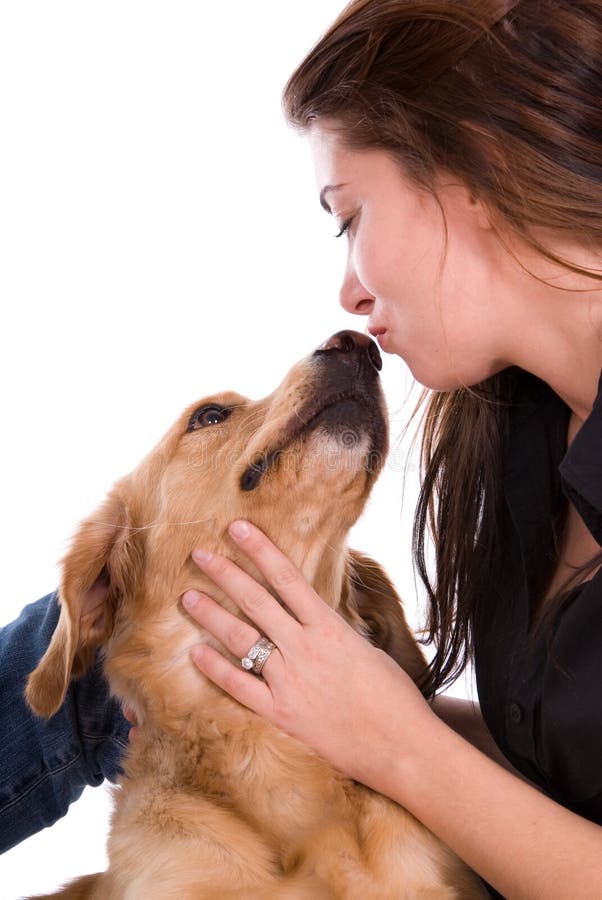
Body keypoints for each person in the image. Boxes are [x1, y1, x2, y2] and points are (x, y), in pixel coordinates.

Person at [2, 1, 600, 897]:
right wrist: (333, 696)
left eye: (348, 216)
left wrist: (393, 741)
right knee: (169, 633)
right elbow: (555, 753)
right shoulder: (516, 427)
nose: (348, 291)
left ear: (479, 163)